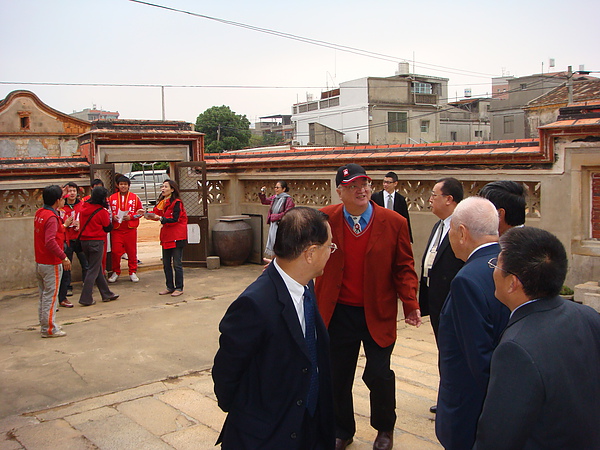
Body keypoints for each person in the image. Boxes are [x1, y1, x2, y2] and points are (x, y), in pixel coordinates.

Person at [315, 163, 421, 450]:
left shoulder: (394, 221)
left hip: (378, 310)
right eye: (352, 186)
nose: (361, 190)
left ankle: (384, 428)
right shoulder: (324, 219)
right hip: (337, 312)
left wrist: (410, 303)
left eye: (364, 184)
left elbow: (404, 267)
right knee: (337, 375)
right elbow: (306, 254)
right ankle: (342, 430)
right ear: (340, 192)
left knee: (379, 373)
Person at [213, 207, 335, 449]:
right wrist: (255, 418)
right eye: (330, 247)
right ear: (310, 254)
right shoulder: (254, 304)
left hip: (309, 425)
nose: (332, 253)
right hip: (267, 435)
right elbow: (226, 374)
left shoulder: (305, 286)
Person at [474, 227, 600, 449]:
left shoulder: (515, 349)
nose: (492, 271)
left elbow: (498, 435)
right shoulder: (587, 316)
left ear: (513, 283)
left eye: (496, 265)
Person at [435, 197, 510, 450]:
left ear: (462, 233)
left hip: (470, 405)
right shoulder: (511, 264)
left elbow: (477, 356)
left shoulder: (466, 280)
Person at [419, 177, 464, 414]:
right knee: (443, 350)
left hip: (452, 301)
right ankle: (446, 395)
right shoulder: (439, 225)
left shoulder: (460, 227)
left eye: (434, 195)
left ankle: (453, 399)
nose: (430, 199)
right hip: (436, 300)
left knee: (453, 352)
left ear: (449, 199)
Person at [34, 185, 71, 337]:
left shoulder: (40, 213)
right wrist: (64, 257)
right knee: (50, 296)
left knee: (44, 295)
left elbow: (50, 234)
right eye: (62, 198)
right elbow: (50, 241)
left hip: (41, 261)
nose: (63, 201)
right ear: (57, 201)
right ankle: (48, 328)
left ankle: (45, 323)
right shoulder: (51, 217)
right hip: (51, 262)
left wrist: (64, 225)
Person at [142, 180, 188, 297]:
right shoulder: (162, 202)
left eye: (166, 187)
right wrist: (144, 213)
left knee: (177, 263)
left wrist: (160, 218)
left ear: (172, 189)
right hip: (167, 236)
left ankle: (179, 287)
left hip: (177, 236)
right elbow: (155, 214)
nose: (163, 189)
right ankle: (169, 286)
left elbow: (175, 219)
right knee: (166, 263)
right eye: (162, 186)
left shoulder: (177, 203)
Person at [78, 186, 119, 306]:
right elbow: (108, 227)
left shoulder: (84, 207)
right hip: (96, 242)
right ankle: (86, 298)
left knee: (97, 268)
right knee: (93, 270)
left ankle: (106, 293)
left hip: (84, 241)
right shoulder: (101, 211)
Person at [58, 182, 88, 307]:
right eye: (69, 191)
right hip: (67, 239)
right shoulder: (61, 207)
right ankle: (67, 287)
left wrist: (80, 225)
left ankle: (87, 284)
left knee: (85, 263)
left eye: (74, 191)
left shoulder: (82, 205)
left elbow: (86, 219)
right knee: (67, 265)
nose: (72, 193)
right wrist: (66, 224)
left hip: (79, 238)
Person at [108, 175, 143, 283]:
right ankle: (116, 272)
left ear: (128, 186)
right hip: (117, 229)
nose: (123, 186)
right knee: (115, 252)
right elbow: (108, 212)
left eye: (125, 184)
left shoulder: (135, 197)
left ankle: (132, 271)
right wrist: (113, 216)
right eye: (121, 184)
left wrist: (131, 217)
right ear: (117, 185)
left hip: (130, 229)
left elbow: (140, 213)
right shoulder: (112, 198)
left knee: (131, 251)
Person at [371, 171, 413, 242]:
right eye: (384, 182)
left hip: (395, 233)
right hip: (379, 233)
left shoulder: (400, 199)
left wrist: (409, 239)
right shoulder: (376, 197)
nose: (385, 184)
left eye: (388, 182)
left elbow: (405, 219)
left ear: (395, 183)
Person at [259, 181, 295, 258]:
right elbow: (265, 201)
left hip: (281, 225)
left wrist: (276, 216)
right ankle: (273, 262)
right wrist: (262, 193)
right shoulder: (274, 198)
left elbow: (288, 212)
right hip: (273, 225)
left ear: (284, 189)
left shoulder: (288, 199)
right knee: (273, 244)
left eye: (278, 187)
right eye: (275, 187)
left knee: (279, 244)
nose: (276, 189)